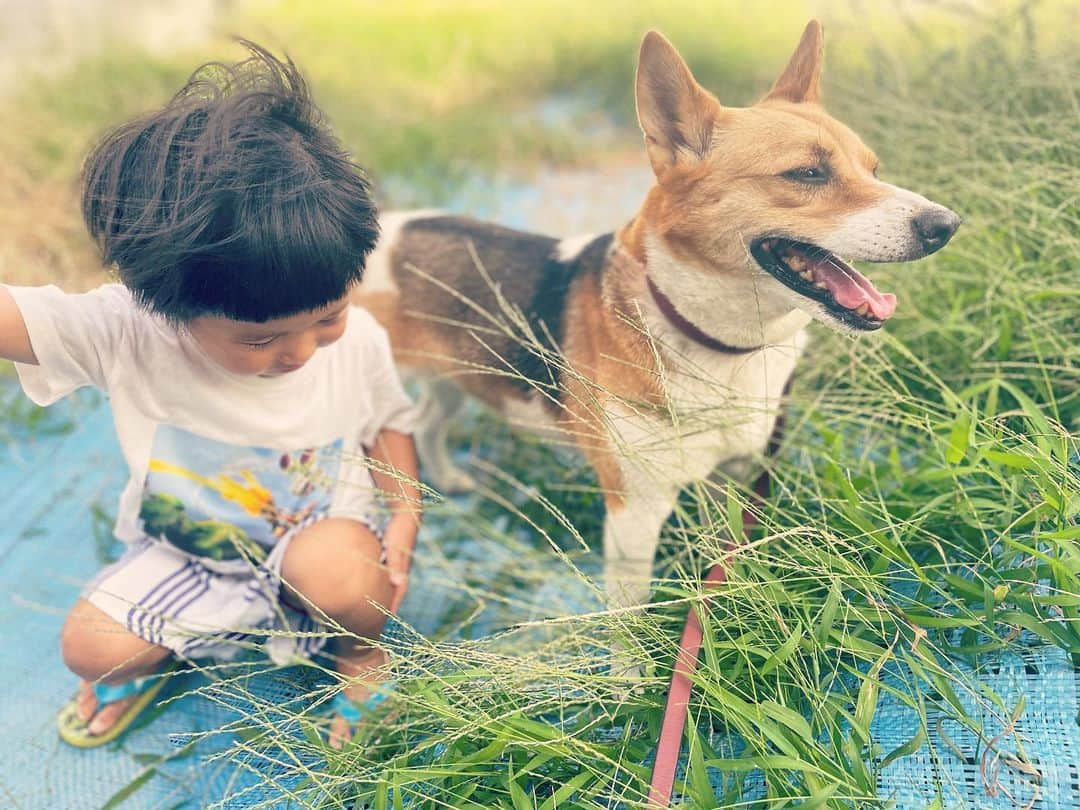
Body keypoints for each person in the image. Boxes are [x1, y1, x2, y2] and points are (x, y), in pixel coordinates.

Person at [0, 41, 420, 749]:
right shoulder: (127, 332)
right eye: (260, 341)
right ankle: (158, 655)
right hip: (194, 554)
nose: (300, 351)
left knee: (348, 579)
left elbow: (388, 425)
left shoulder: (360, 340)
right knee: (89, 647)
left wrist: (405, 513)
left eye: (326, 317)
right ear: (161, 305)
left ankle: (361, 656)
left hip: (319, 546)